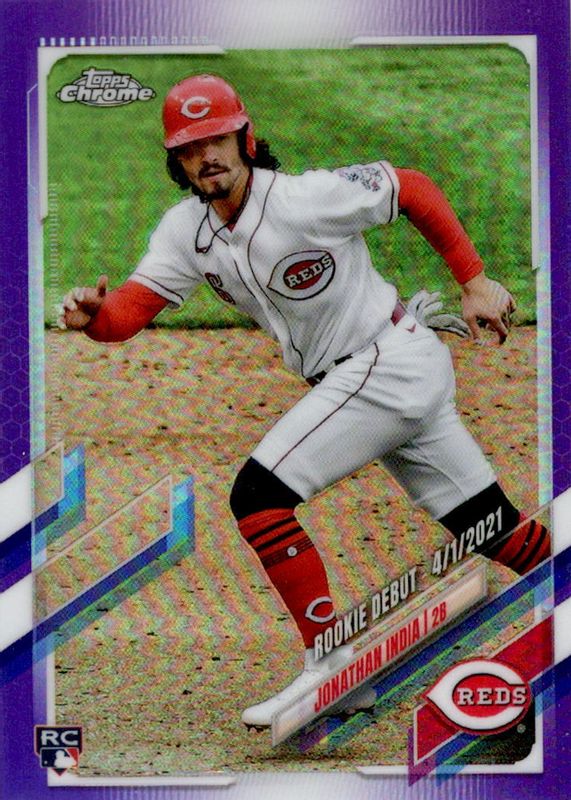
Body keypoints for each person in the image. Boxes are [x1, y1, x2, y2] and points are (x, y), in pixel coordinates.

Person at [59, 74, 550, 728]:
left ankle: (334, 668)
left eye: (217, 139)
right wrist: (93, 317)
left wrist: (475, 280)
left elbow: (410, 187)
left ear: (245, 138)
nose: (206, 156)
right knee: (487, 524)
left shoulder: (303, 198)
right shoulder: (185, 231)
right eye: (189, 148)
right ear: (176, 161)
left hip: (385, 365)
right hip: (381, 377)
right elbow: (127, 313)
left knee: (258, 496)